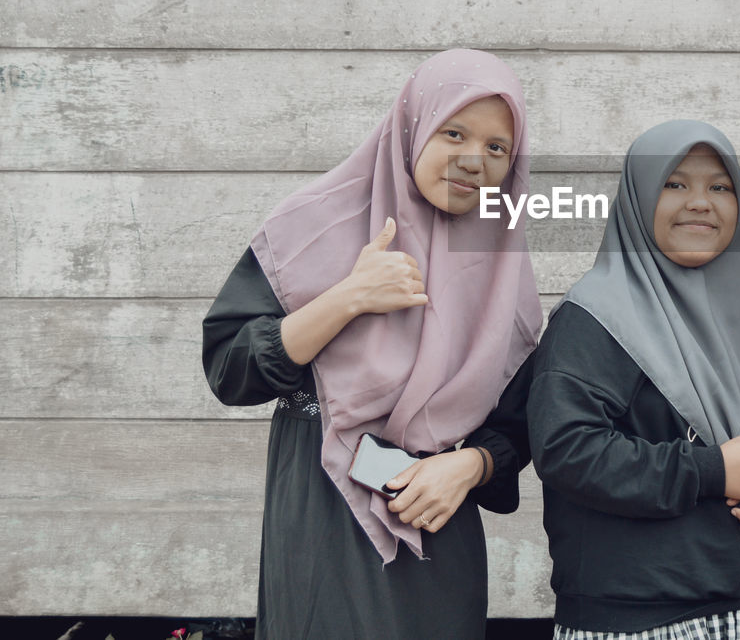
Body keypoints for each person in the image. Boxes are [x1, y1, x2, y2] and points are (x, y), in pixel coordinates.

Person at [202, 49, 543, 639]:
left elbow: (524, 411)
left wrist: (470, 464)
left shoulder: (500, 263)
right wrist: (346, 298)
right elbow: (229, 369)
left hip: (436, 519)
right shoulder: (313, 225)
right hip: (323, 508)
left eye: (496, 148)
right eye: (454, 132)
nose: (473, 160)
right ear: (411, 128)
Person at [528, 120, 740, 640]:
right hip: (632, 621)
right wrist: (710, 471)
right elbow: (565, 448)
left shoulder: (738, 320)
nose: (700, 202)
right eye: (675, 184)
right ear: (638, 198)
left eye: (719, 187)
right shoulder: (595, 316)